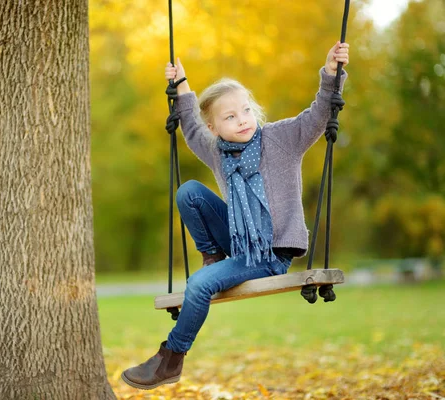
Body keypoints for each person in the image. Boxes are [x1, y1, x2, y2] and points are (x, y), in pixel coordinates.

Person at [122, 41, 350, 390]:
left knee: (199, 285)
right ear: (215, 127)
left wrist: (332, 73)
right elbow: (193, 129)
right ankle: (212, 256)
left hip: (271, 254)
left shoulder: (282, 139)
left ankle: (171, 358)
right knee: (189, 193)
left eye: (245, 110)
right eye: (230, 117)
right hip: (239, 244)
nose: (242, 120)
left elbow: (320, 112)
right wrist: (181, 86)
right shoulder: (218, 152)